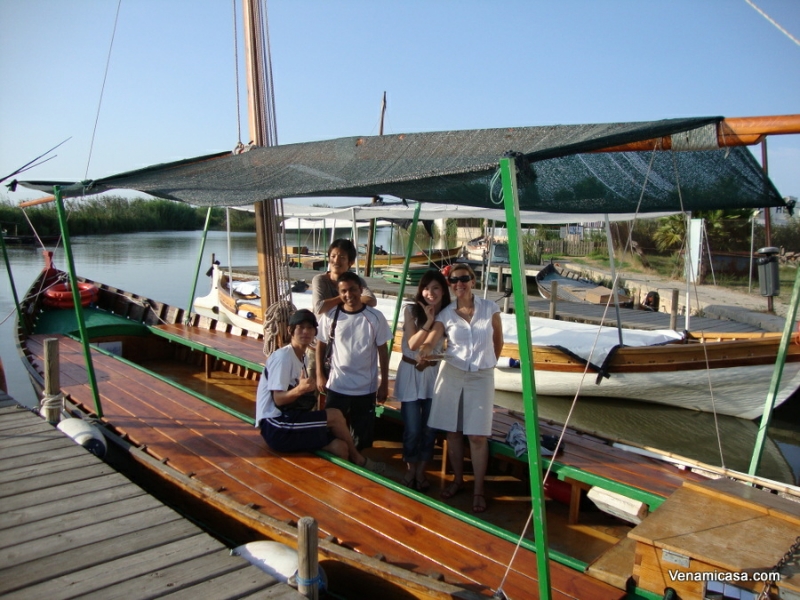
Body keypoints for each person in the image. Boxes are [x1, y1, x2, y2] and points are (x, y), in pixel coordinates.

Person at [418, 263, 503, 513]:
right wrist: (424, 350)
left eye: (464, 279)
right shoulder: (446, 315)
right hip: (453, 373)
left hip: (482, 376)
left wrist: (490, 361)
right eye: (454, 281)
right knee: (453, 432)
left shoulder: (490, 308)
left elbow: (498, 338)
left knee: (477, 436)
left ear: (473, 281)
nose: (459, 284)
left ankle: (478, 489)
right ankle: (458, 480)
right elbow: (434, 338)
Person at [255, 309, 383, 472]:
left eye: (310, 328)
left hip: (290, 418)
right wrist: (300, 390)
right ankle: (359, 460)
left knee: (340, 447)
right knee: (335, 415)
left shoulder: (302, 356)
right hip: (276, 426)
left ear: (315, 332)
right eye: (300, 327)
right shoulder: (283, 358)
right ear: (290, 330)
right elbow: (278, 399)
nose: (306, 332)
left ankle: (339, 486)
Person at [316, 271, 391, 451]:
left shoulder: (375, 317)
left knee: (362, 437)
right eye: (343, 291)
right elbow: (320, 344)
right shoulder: (330, 316)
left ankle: (359, 465)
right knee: (332, 434)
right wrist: (319, 374)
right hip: (337, 386)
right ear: (338, 293)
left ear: (360, 290)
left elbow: (383, 350)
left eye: (353, 290)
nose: (349, 295)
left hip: (365, 388)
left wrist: (384, 383)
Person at [394, 270, 450, 492]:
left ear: (443, 291)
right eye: (426, 288)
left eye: (436, 288)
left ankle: (421, 471)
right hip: (410, 373)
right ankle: (410, 467)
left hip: (432, 376)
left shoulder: (447, 314)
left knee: (429, 428)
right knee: (413, 428)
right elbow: (413, 343)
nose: (430, 293)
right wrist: (427, 321)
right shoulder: (411, 310)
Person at [311, 239, 377, 315]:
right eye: (333, 256)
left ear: (351, 262)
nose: (336, 261)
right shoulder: (320, 280)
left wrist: (346, 297)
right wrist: (346, 297)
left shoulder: (355, 280)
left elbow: (371, 300)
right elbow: (319, 308)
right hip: (324, 325)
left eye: (342, 257)